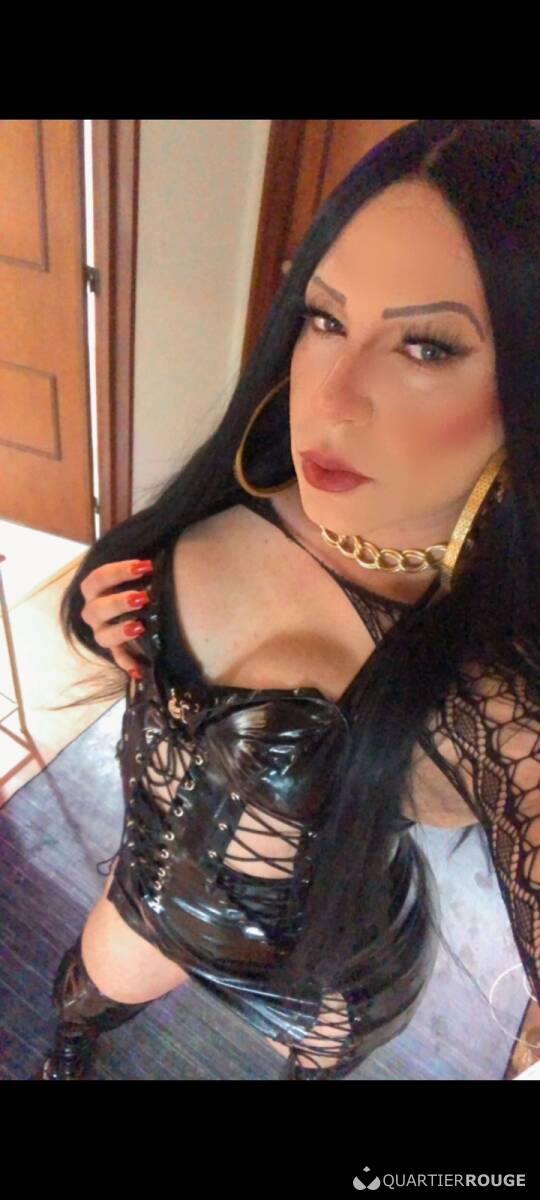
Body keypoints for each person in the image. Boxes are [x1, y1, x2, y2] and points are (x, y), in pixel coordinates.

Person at [36, 120, 540, 1081]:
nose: (332, 398)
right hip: (149, 891)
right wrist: (107, 622)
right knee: (79, 1002)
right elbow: (135, 656)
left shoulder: (486, 691)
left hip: (322, 979)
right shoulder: (239, 485)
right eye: (326, 318)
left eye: (427, 346)